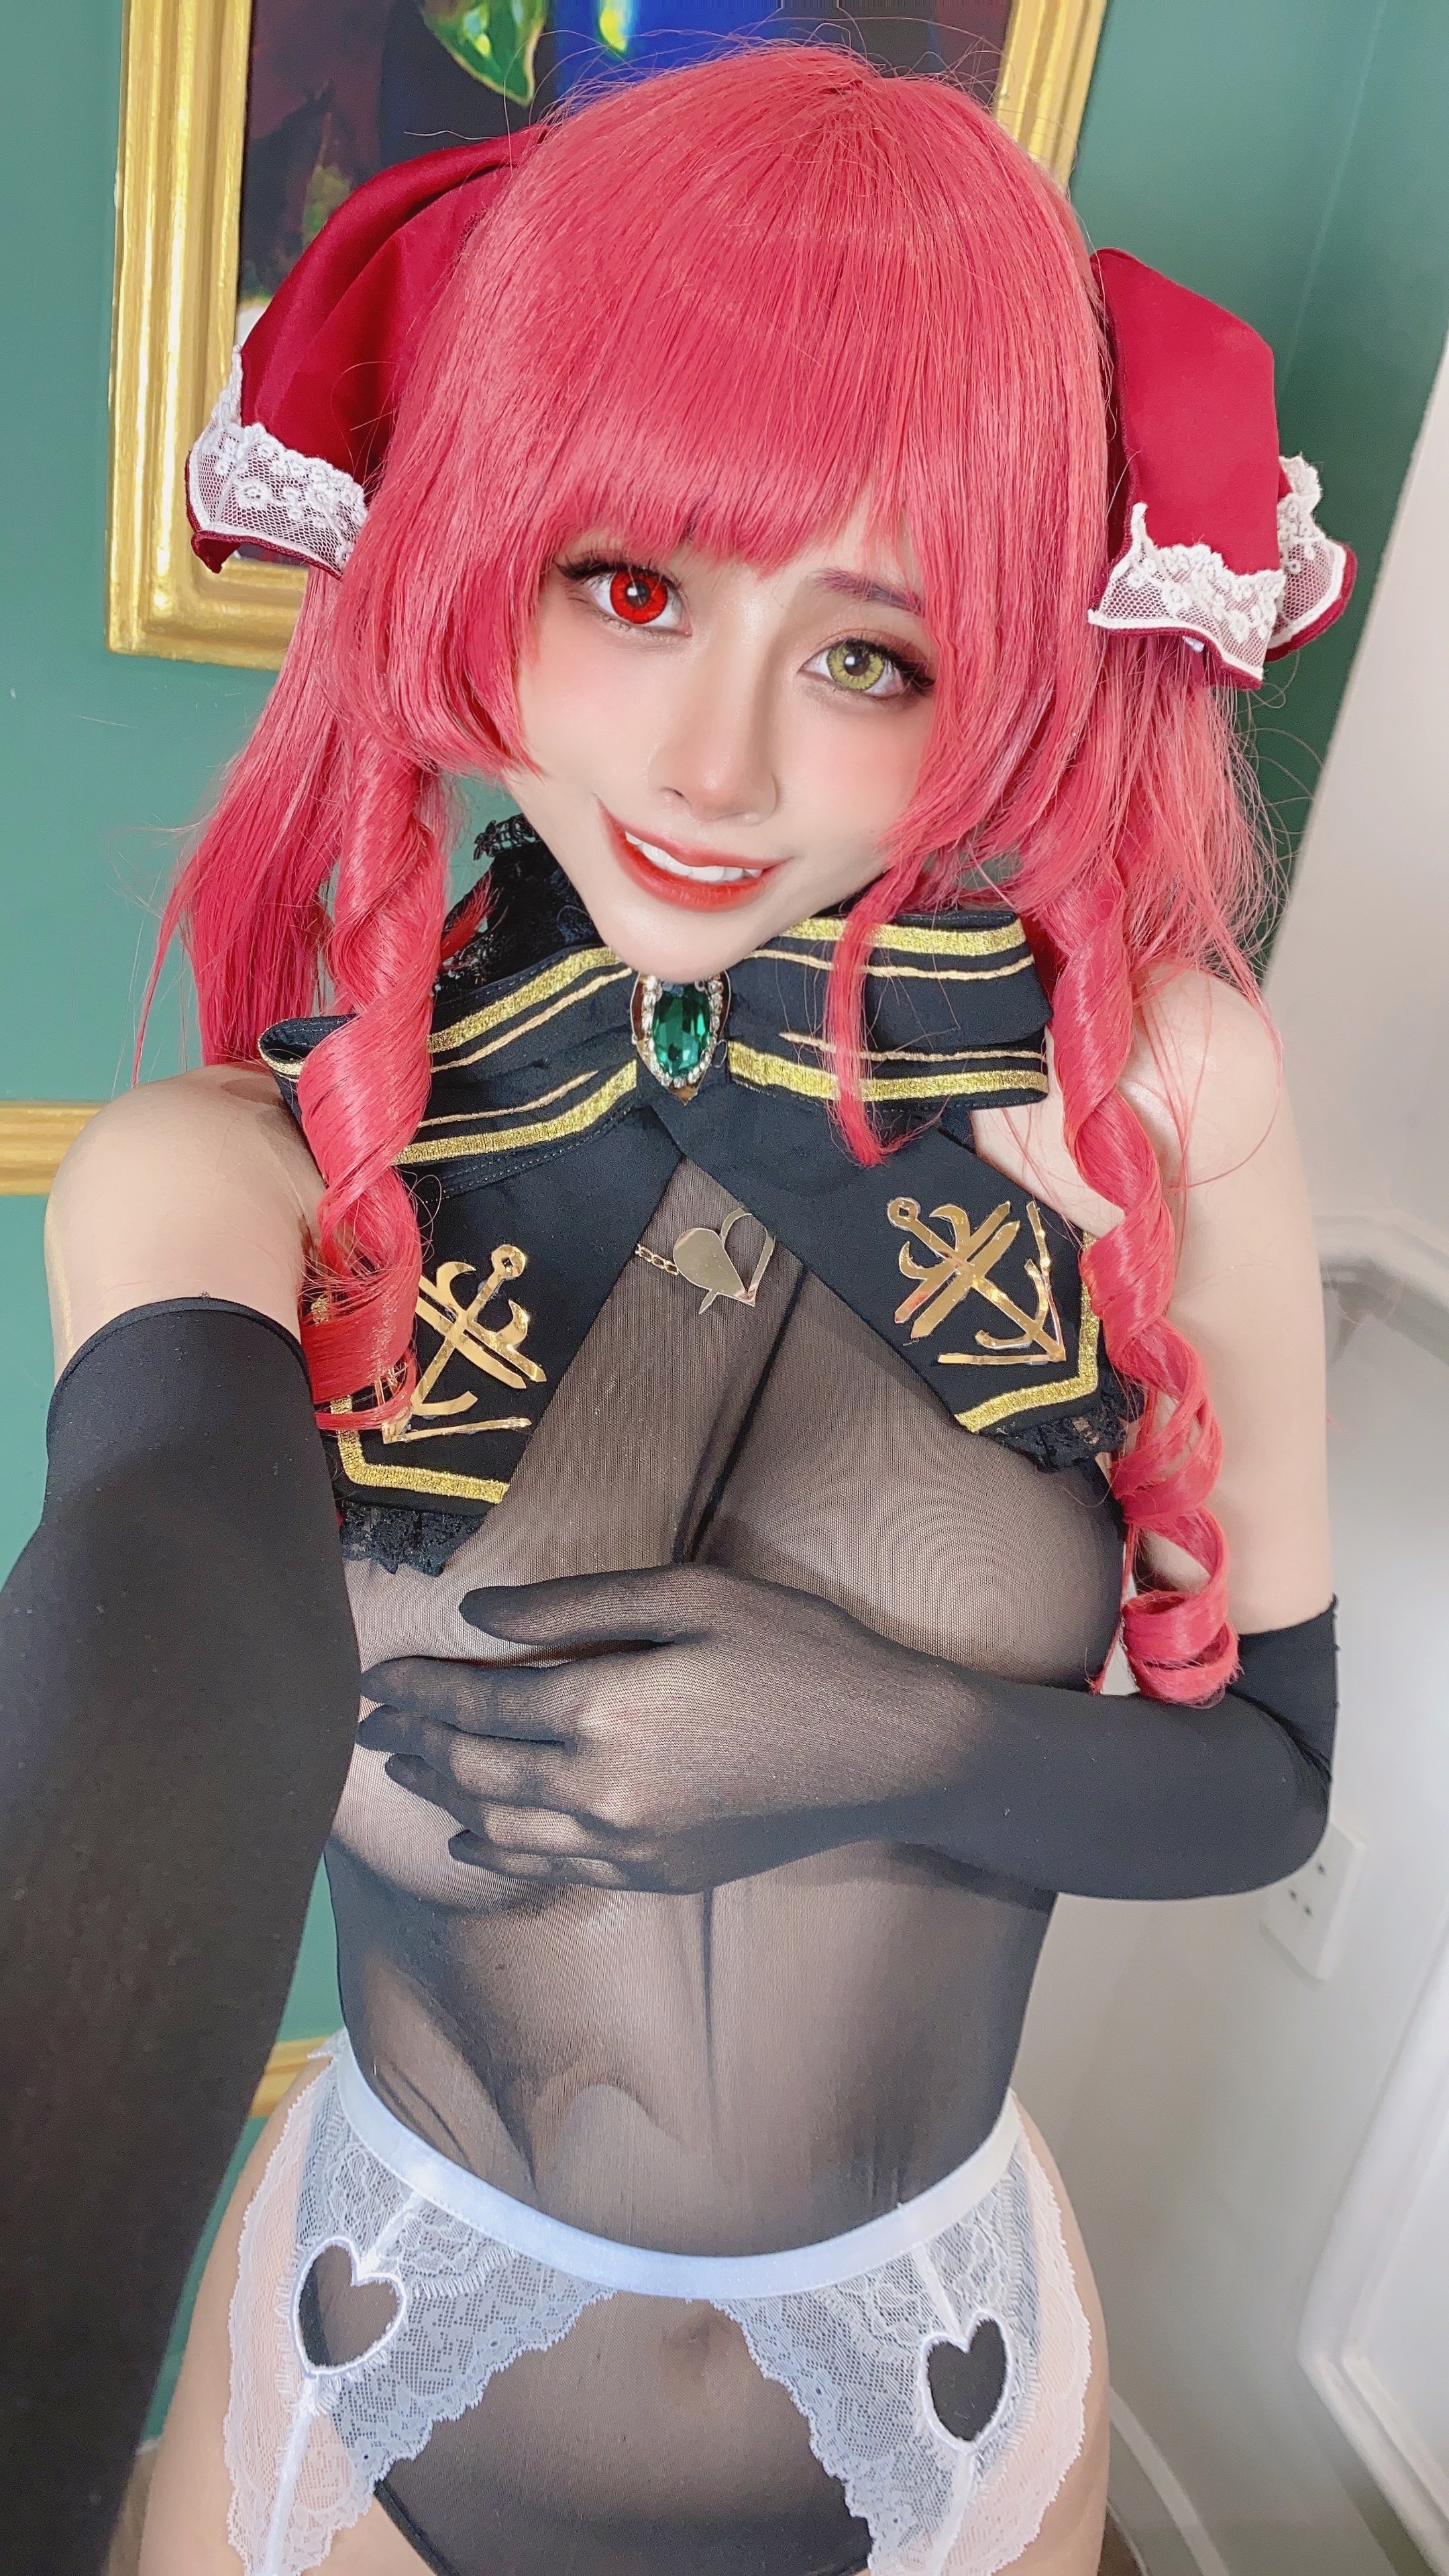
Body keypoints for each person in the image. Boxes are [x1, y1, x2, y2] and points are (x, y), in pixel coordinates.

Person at [34, 44, 1348, 2576]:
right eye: (631, 589)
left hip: (946, 2393)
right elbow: (132, 1710)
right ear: (475, 548)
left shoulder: (1152, 1111)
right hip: (369, 2375)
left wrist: (866, 1741)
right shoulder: (229, 1179)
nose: (717, 763)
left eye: (873, 656)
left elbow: (1273, 1779)